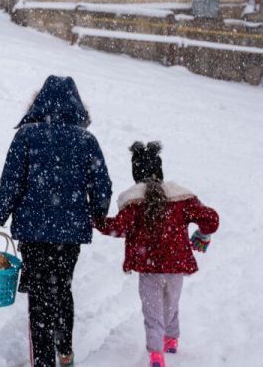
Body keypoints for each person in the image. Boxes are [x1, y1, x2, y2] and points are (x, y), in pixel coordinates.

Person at [0, 75, 112, 367]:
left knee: (40, 296)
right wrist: (97, 213)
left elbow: (10, 184)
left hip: (34, 232)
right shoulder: (86, 140)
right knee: (62, 288)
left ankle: (43, 361)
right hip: (70, 232)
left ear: (39, 103)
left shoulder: (27, 136)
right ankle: (65, 350)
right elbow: (102, 186)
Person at [94, 141, 220, 367]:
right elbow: (210, 219)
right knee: (171, 303)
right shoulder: (181, 198)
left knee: (152, 311)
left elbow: (118, 227)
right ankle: (171, 339)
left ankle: (156, 354)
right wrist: (203, 233)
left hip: (149, 267)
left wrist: (95, 221)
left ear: (135, 174)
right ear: (160, 171)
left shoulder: (134, 202)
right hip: (175, 263)